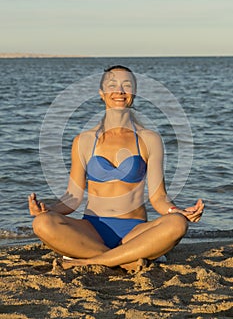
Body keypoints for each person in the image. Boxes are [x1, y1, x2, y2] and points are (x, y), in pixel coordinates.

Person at [28, 65, 204, 271]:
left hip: (134, 231)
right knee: (42, 223)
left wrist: (178, 211)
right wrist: (47, 210)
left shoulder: (149, 139)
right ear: (102, 93)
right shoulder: (83, 141)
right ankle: (126, 258)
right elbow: (73, 198)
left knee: (177, 224)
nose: (120, 91)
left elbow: (158, 198)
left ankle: (91, 260)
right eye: (113, 85)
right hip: (92, 230)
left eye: (127, 85)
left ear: (134, 93)